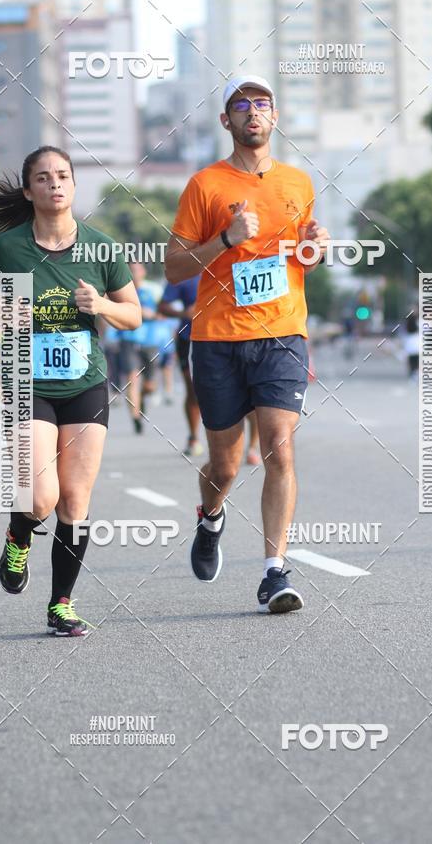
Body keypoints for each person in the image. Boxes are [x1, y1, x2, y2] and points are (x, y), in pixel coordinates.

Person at [0, 145, 141, 636]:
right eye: (43, 177)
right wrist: (2, 314)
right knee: (39, 497)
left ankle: (61, 604)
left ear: (74, 185)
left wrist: (100, 304)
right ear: (28, 190)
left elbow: (134, 314)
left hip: (84, 382)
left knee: (74, 500)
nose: (54, 184)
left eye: (62, 176)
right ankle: (19, 534)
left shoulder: (101, 248)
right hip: (24, 377)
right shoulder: (9, 247)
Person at [164, 75, 330, 613]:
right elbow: (172, 268)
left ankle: (273, 571)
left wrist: (315, 251)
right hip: (217, 338)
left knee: (279, 446)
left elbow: (300, 259)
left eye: (262, 105)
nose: (253, 113)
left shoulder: (298, 183)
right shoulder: (204, 185)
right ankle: (211, 517)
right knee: (225, 466)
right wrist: (225, 240)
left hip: (282, 332)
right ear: (226, 121)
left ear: (275, 117)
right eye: (242, 107)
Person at [158, 274, 204, 456]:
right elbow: (162, 306)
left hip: (227, 335)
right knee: (193, 390)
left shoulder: (229, 263)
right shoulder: (187, 270)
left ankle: (253, 447)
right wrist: (184, 314)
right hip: (189, 337)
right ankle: (194, 437)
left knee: (243, 389)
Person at [116, 263, 160, 434]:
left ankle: (141, 401)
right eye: (131, 271)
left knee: (150, 385)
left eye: (137, 270)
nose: (134, 274)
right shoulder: (121, 293)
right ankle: (135, 419)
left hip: (149, 341)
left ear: (143, 272)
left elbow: (162, 312)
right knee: (132, 379)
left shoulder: (152, 292)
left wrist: (153, 314)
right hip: (128, 339)